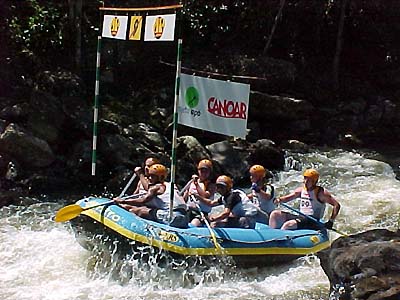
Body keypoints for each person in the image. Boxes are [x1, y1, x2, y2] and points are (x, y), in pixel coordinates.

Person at [114, 164, 187, 226]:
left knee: (140, 211)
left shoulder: (157, 187)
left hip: (172, 217)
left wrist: (123, 201)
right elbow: (147, 188)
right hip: (184, 219)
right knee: (143, 209)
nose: (149, 178)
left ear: (160, 177)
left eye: (152, 176)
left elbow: (143, 200)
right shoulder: (170, 185)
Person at [269, 168, 341, 230]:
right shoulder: (301, 190)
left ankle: (280, 240)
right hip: (301, 217)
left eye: (309, 180)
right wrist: (279, 200)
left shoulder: (321, 193)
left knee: (288, 225)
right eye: (305, 178)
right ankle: (271, 234)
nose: (305, 182)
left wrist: (331, 221)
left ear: (314, 181)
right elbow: (289, 197)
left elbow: (336, 205)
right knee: (275, 214)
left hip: (312, 221)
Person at [183, 159, 217, 226]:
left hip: (201, 214)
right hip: (189, 210)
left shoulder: (211, 185)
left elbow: (205, 195)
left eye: (206, 171)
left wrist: (196, 185)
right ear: (198, 171)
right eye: (202, 171)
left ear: (210, 172)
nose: (203, 173)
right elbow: (184, 197)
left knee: (194, 224)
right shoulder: (191, 182)